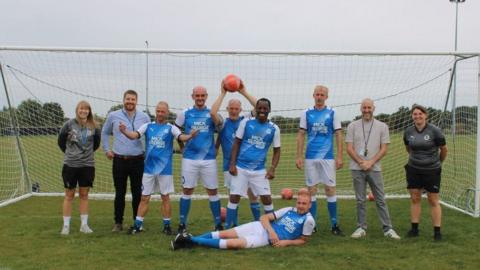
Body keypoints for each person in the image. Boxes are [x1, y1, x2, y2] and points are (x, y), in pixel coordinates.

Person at [119, 101, 198, 235]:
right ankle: (137, 225)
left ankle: (167, 226)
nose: (160, 114)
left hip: (165, 170)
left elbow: (181, 137)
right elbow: (134, 135)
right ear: (156, 111)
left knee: (165, 197)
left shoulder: (170, 128)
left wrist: (190, 136)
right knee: (144, 198)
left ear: (167, 113)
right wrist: (125, 131)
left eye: (163, 111)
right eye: (158, 111)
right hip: (148, 170)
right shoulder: (148, 126)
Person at [171, 188, 315, 250]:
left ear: (309, 205)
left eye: (304, 203)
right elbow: (264, 217)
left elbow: (303, 240)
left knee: (235, 244)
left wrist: (286, 243)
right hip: (260, 227)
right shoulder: (289, 210)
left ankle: (187, 240)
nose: (300, 206)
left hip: (264, 240)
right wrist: (271, 231)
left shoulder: (308, 220)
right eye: (299, 202)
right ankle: (189, 240)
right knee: (225, 233)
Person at [345, 98, 400, 239]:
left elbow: (384, 148)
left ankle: (388, 229)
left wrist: (370, 162)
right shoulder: (352, 126)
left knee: (380, 199)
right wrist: (361, 161)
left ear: (373, 108)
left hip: (374, 168)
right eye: (364, 108)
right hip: (357, 168)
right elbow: (349, 148)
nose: (367, 110)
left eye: (369, 107)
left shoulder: (382, 126)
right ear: (361, 109)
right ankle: (361, 227)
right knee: (360, 199)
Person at [210, 80, 261, 227]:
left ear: (240, 110)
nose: (233, 111)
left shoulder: (246, 120)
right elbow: (213, 112)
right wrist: (223, 93)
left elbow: (260, 106)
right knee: (233, 196)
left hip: (247, 164)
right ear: (227, 109)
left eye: (236, 109)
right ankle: (234, 225)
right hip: (229, 165)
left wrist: (243, 91)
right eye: (231, 108)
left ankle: (258, 223)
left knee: (253, 195)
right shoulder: (222, 122)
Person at [295, 85, 344, 235]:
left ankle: (334, 224)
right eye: (317, 94)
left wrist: (340, 156)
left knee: (330, 190)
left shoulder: (332, 113)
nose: (319, 96)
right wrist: (298, 156)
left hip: (327, 158)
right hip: (310, 158)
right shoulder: (306, 113)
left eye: (322, 94)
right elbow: (302, 134)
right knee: (312, 191)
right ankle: (312, 224)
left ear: (326, 97)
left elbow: (338, 134)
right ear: (313, 95)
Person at [227, 98, 281, 228]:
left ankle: (273, 228)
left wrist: (272, 168)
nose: (262, 111)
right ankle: (228, 227)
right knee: (234, 197)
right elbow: (237, 143)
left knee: (266, 198)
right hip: (241, 168)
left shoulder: (274, 128)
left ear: (269, 110)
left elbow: (277, 150)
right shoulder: (246, 122)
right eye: (260, 108)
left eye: (265, 108)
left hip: (259, 170)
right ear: (256, 109)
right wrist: (232, 164)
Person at [101, 89, 150, 232]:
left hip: (138, 160)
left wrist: (148, 151)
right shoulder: (113, 115)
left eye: (133, 99)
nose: (130, 102)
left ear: (136, 101)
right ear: (124, 100)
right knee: (120, 192)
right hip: (119, 160)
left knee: (137, 193)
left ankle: (137, 222)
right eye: (128, 99)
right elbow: (104, 132)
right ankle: (118, 222)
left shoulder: (144, 117)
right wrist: (106, 149)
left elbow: (148, 135)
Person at [175, 86, 222, 232]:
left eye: (202, 95)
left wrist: (217, 147)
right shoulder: (185, 113)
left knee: (212, 191)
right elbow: (175, 130)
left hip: (209, 159)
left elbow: (221, 129)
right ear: (192, 96)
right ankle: (182, 224)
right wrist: (182, 146)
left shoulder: (212, 113)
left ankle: (218, 224)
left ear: (206, 96)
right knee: (187, 190)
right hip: (190, 159)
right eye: (197, 95)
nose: (200, 98)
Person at [404, 104, 447, 241]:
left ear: (425, 115)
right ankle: (414, 229)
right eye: (415, 114)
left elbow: (444, 150)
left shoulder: (435, 131)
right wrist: (417, 159)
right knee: (415, 198)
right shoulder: (408, 131)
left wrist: (437, 163)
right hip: (413, 169)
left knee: (433, 199)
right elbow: (408, 148)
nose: (417, 116)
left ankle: (437, 232)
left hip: (432, 170)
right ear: (412, 116)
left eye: (420, 114)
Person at [57, 100, 101, 235]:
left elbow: (96, 144)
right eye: (81, 109)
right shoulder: (68, 124)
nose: (84, 111)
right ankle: (66, 226)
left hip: (87, 165)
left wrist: (85, 155)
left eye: (86, 109)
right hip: (70, 165)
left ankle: (84, 225)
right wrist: (71, 154)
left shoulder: (94, 126)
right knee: (69, 195)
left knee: (84, 195)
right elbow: (61, 142)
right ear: (77, 110)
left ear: (89, 111)